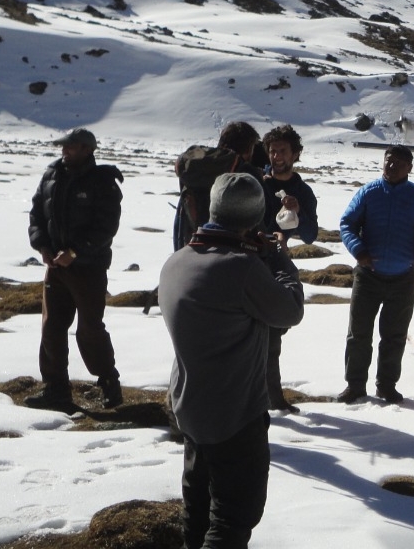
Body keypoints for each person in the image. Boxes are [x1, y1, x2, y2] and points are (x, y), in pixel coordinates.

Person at [159, 173, 305, 549]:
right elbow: (289, 310)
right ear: (255, 219)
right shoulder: (242, 268)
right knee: (233, 518)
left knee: (199, 506)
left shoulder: (176, 262)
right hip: (235, 414)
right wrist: (275, 256)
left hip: (190, 406)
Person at [26, 127, 124, 412]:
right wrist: (42, 246)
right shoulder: (51, 175)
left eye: (71, 147)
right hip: (56, 267)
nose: (64, 151)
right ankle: (56, 389)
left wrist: (76, 252)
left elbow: (106, 226)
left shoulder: (102, 181)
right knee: (52, 327)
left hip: (89, 269)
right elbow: (36, 214)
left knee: (90, 329)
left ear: (87, 149)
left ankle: (109, 384)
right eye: (64, 147)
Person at [337, 145, 414, 404]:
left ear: (409, 168)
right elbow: (347, 224)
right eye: (388, 161)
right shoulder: (369, 193)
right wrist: (358, 250)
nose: (391, 166)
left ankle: (386, 386)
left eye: (397, 163)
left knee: (394, 337)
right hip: (367, 276)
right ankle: (355, 386)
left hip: (403, 277)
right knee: (359, 334)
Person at [259, 124, 319, 414]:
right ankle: (267, 397)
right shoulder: (257, 183)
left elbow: (310, 235)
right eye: (272, 150)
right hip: (251, 262)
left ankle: (272, 397)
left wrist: (299, 212)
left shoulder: (303, 191)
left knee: (273, 332)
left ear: (295, 154)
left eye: (282, 150)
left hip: (278, 267)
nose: (276, 155)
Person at [173, 121, 264, 251]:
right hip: (231, 253)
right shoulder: (246, 174)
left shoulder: (194, 165)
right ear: (249, 149)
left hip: (190, 247)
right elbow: (257, 223)